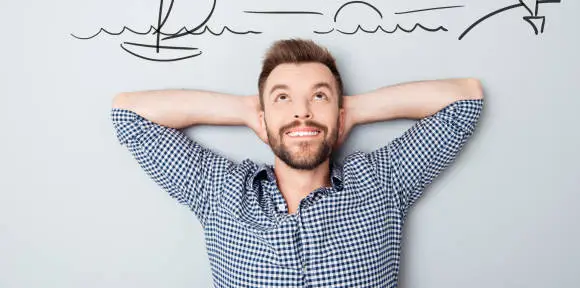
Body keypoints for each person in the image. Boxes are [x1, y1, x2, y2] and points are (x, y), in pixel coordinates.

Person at [111, 38, 484, 287]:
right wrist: (245, 111)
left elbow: (465, 100)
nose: (302, 113)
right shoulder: (220, 192)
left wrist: (349, 112)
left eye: (318, 97)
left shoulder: (381, 182)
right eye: (283, 98)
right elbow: (128, 113)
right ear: (263, 116)